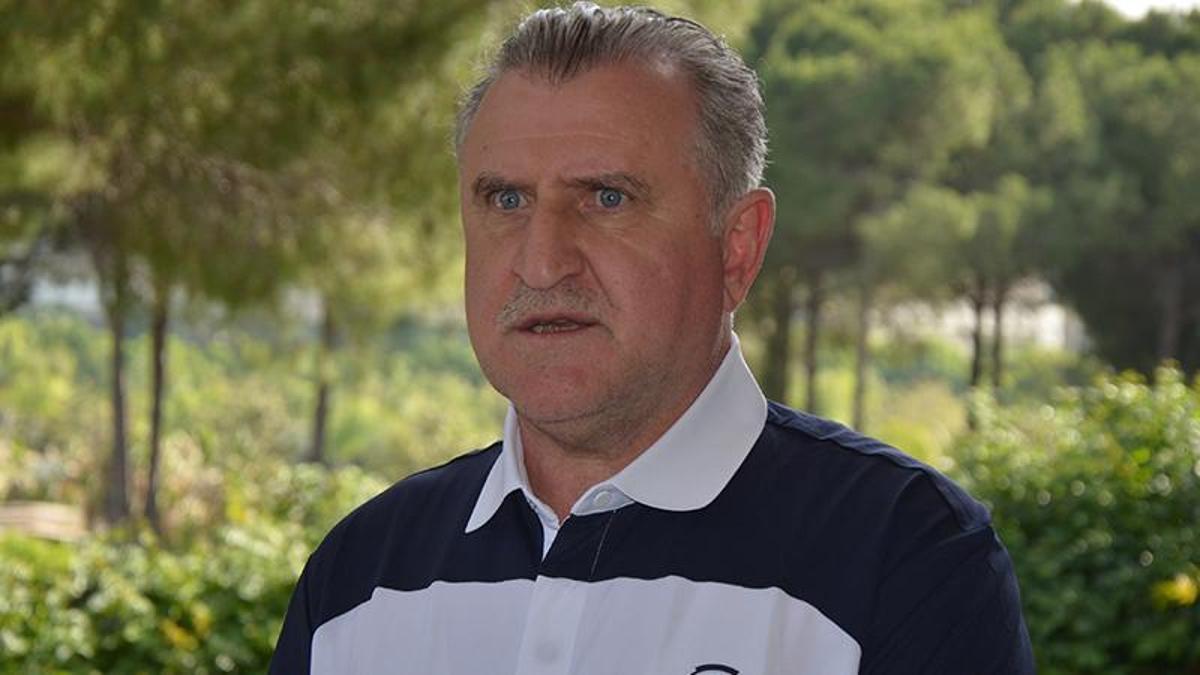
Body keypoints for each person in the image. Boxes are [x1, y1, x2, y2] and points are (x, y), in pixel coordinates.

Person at [269, 3, 1035, 673]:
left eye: (607, 197)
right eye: (506, 200)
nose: (542, 260)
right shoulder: (359, 579)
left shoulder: (907, 558)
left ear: (737, 248)